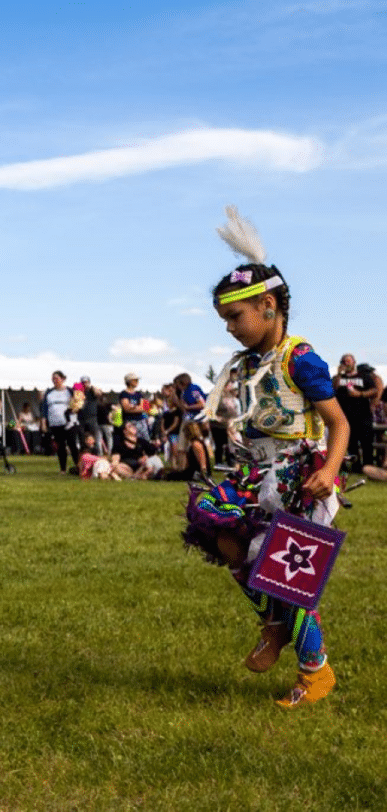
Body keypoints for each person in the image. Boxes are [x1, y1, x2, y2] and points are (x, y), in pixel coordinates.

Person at [183, 206, 348, 708]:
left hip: (301, 476)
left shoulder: (301, 358)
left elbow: (338, 423)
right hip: (257, 474)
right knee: (226, 535)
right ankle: (273, 624)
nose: (230, 328)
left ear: (269, 306)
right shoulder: (250, 362)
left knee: (287, 574)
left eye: (235, 316)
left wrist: (329, 470)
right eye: (225, 319)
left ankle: (315, 672)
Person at [333, 355, 379, 472]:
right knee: (351, 443)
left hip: (363, 415)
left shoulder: (363, 376)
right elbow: (333, 389)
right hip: (346, 415)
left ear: (354, 362)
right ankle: (356, 467)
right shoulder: (338, 378)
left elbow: (374, 390)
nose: (346, 363)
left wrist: (360, 394)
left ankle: (368, 466)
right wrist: (339, 374)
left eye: (348, 361)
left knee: (367, 442)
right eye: (344, 361)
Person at [41, 371, 79, 473]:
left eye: (57, 378)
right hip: (54, 422)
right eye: (53, 378)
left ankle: (79, 466)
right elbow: (44, 408)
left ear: (63, 379)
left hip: (70, 421)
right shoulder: (49, 393)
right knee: (60, 445)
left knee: (72, 444)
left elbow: (78, 401)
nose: (54, 380)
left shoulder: (70, 391)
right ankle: (63, 469)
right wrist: (44, 422)